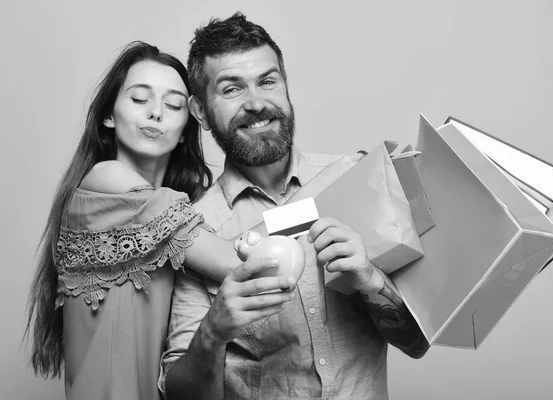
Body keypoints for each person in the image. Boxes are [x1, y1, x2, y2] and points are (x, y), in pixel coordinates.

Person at [161, 12, 430, 400]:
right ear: (200, 111)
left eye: (268, 82)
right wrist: (213, 332)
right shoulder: (195, 232)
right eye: (232, 89)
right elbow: (179, 394)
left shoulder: (358, 178)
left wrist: (370, 279)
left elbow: (416, 343)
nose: (256, 102)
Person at [25, 41, 300, 400]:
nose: (156, 113)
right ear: (109, 115)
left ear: (188, 124)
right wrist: (323, 197)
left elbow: (240, 245)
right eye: (140, 100)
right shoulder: (108, 181)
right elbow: (238, 259)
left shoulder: (176, 215)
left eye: (172, 105)